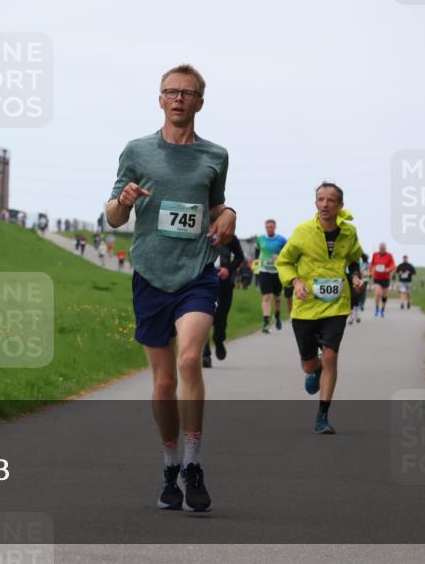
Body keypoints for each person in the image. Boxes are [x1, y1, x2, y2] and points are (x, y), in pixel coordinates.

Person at [105, 63, 236, 513]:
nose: (178, 98)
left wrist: (228, 214)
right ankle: (169, 463)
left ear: (201, 101)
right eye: (170, 92)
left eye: (187, 92)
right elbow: (114, 216)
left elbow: (215, 205)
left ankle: (194, 464)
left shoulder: (215, 155)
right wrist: (122, 201)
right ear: (159, 99)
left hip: (197, 271)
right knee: (162, 383)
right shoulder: (137, 151)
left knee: (187, 360)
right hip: (151, 274)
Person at [276, 182, 363, 435]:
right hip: (306, 307)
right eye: (320, 199)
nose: (325, 204)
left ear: (340, 205)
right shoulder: (303, 231)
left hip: (336, 305)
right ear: (315, 203)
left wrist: (355, 276)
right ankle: (313, 370)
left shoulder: (349, 232)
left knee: (331, 356)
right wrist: (296, 281)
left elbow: (354, 258)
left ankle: (322, 416)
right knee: (309, 365)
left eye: (331, 200)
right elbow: (285, 261)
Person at [202, 236, 245, 368]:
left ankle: (218, 340)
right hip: (201, 283)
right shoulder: (199, 230)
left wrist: (228, 269)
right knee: (202, 318)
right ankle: (206, 354)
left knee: (220, 319)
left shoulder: (228, 234)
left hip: (224, 283)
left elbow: (239, 257)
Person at [255, 219, 288, 333]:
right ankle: (266, 323)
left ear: (275, 227)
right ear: (265, 228)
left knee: (277, 298)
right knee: (266, 297)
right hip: (264, 271)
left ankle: (277, 315)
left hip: (277, 272)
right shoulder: (260, 239)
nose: (269, 228)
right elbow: (257, 249)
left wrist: (279, 258)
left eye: (271, 227)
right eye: (267, 227)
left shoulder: (282, 240)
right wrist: (257, 260)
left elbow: (287, 253)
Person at [370, 243, 396, 318]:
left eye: (383, 249)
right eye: (381, 248)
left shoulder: (389, 255)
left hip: (385, 278)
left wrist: (388, 269)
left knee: (384, 295)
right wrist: (372, 270)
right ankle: (377, 308)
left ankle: (382, 310)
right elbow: (372, 264)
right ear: (379, 248)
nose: (382, 250)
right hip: (377, 278)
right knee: (378, 293)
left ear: (385, 249)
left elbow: (393, 265)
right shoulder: (375, 254)